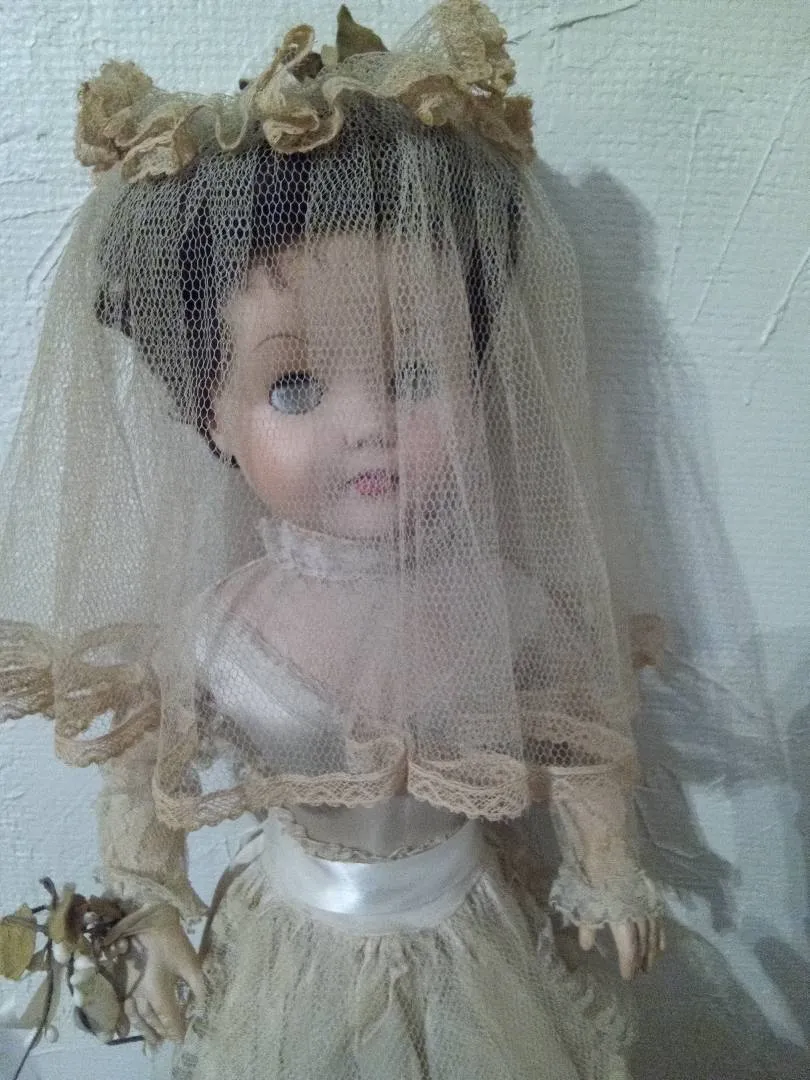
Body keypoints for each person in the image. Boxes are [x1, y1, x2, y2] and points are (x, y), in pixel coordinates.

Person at [0, 4, 662, 1077]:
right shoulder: (221, 630)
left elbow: (578, 734)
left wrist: (606, 868)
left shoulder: (503, 603)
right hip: (294, 957)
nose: (369, 426)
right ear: (212, 415)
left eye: (417, 375)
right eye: (296, 386)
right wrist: (152, 910)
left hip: (471, 941)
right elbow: (143, 782)